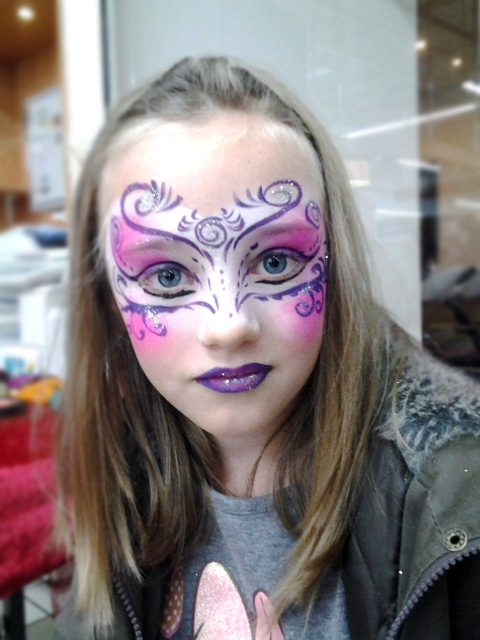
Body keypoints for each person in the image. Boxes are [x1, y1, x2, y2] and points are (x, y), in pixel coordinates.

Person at [53, 57, 480, 640]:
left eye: (276, 262)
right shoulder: (122, 466)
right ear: (108, 301)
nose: (229, 326)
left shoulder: (457, 492)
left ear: (332, 263)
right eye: (167, 277)